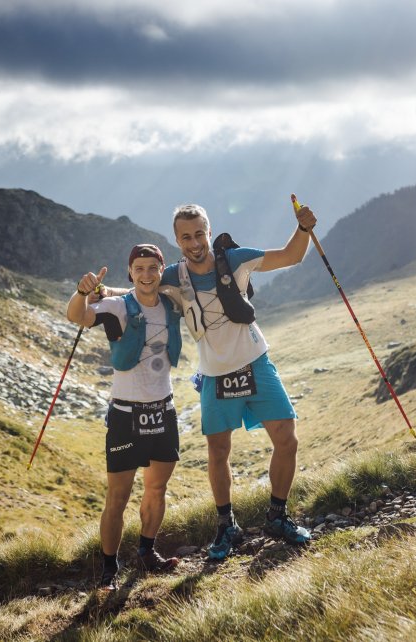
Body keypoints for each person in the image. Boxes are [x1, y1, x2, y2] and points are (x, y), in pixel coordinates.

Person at [160, 201, 318, 560]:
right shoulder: (172, 277)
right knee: (218, 453)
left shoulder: (235, 259)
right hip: (215, 375)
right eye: (186, 237)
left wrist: (304, 228)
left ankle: (277, 516)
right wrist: (97, 293)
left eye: (199, 233)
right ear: (177, 240)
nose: (195, 242)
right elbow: (138, 291)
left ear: (209, 231)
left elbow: (291, 256)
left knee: (287, 439)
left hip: (255, 363)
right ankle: (225, 526)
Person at [67, 243, 183, 591]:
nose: (146, 275)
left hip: (163, 410)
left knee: (157, 488)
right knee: (117, 498)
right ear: (130, 273)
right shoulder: (118, 306)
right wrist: (82, 292)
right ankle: (108, 570)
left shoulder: (171, 302)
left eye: (153, 268)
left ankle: (147, 553)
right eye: (139, 269)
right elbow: (79, 317)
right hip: (125, 415)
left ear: (161, 270)